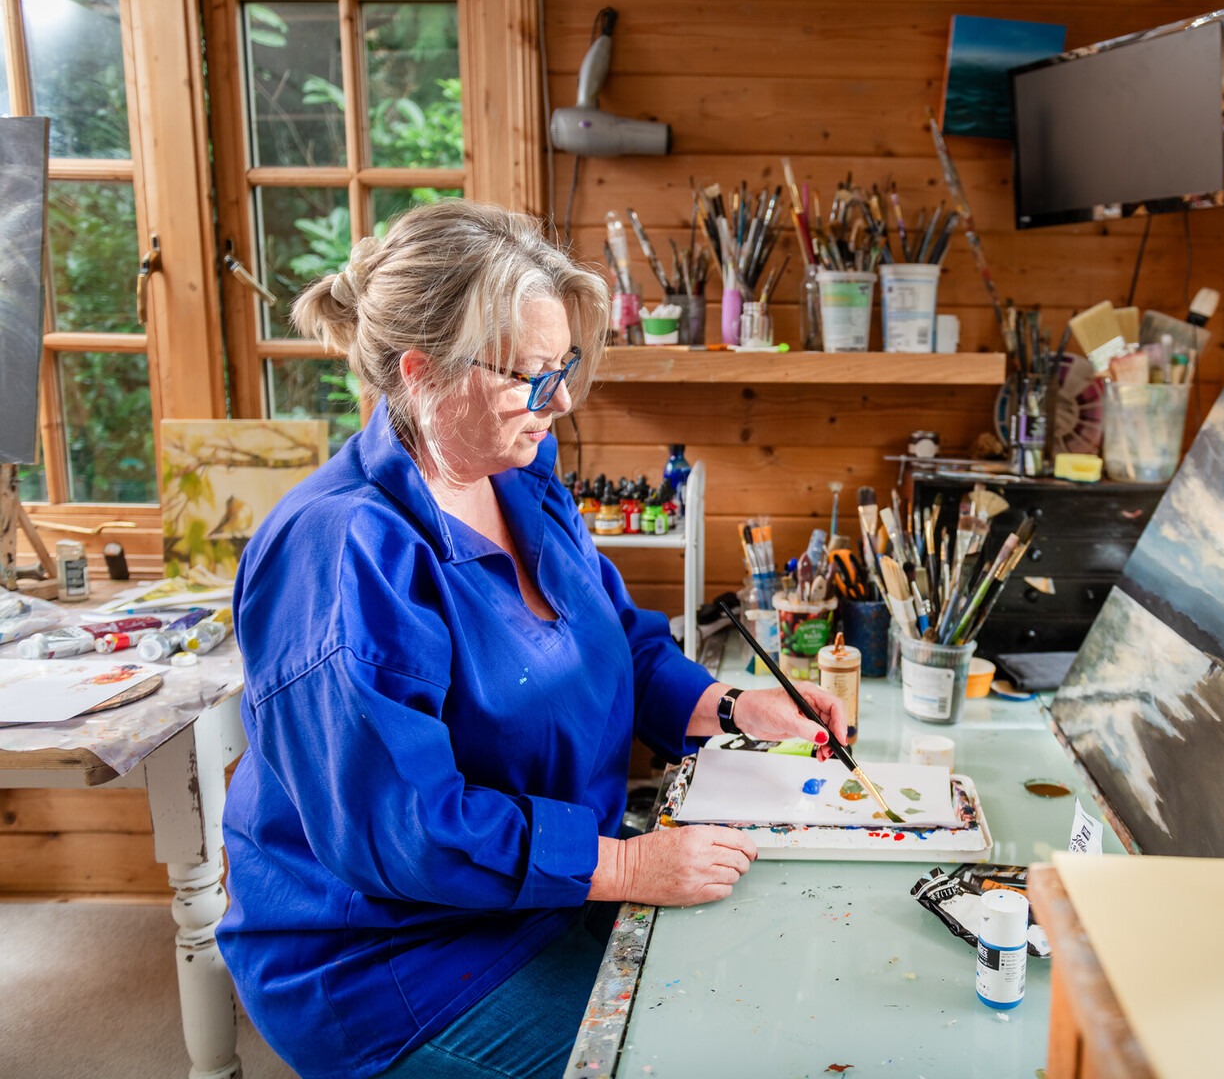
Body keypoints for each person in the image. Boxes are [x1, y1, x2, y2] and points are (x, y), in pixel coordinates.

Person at [217, 199, 847, 1079]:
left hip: (543, 891)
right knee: (706, 1049)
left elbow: (621, 645)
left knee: (777, 979)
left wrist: (736, 706)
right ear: (423, 371)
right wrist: (628, 864)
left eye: (565, 368)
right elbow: (409, 831)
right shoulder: (341, 552)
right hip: (396, 960)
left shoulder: (521, 475)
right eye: (529, 376)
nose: (557, 403)